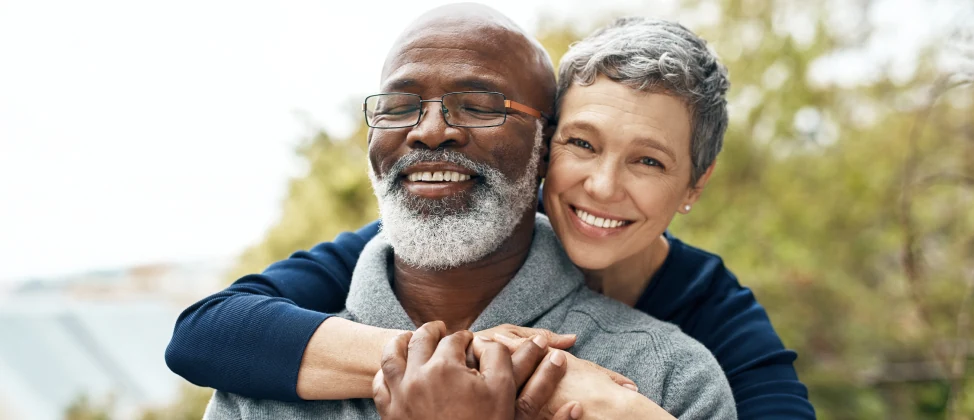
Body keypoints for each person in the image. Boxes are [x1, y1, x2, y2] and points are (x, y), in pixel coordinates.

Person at [172, 7, 816, 420]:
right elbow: (208, 331)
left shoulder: (692, 353)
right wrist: (455, 362)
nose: (601, 184)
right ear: (550, 153)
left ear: (693, 186)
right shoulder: (438, 214)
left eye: (648, 162)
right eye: (583, 144)